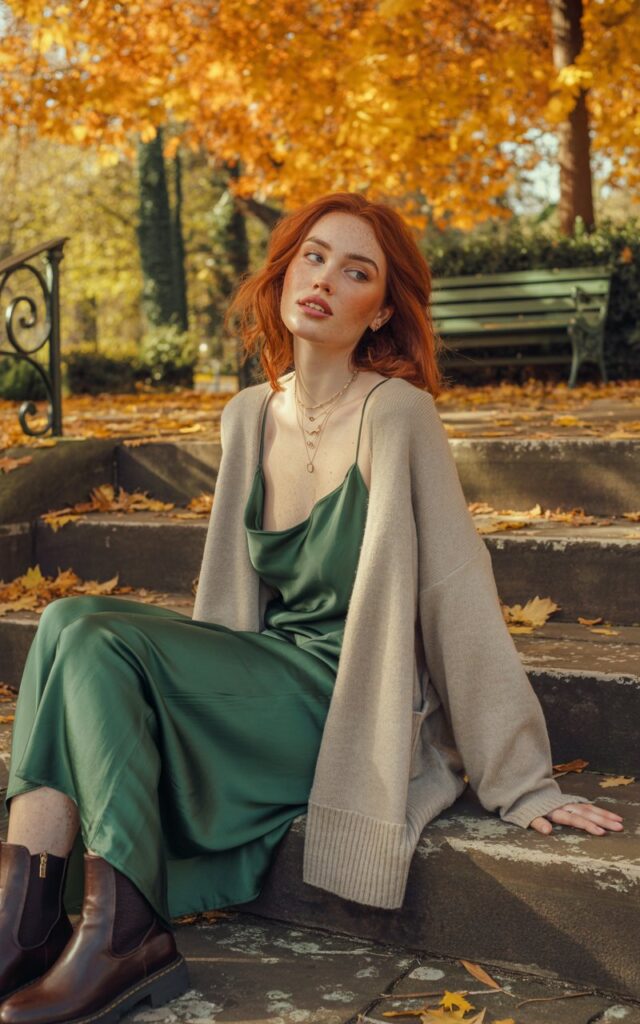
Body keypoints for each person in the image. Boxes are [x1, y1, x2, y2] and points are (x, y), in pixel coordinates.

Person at [0, 192, 624, 1023]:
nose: (326, 279)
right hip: (260, 679)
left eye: (356, 270)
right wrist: (191, 703)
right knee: (67, 623)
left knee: (83, 629)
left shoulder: (397, 416)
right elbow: (230, 600)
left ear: (381, 312)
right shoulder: (248, 415)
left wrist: (522, 782)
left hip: (348, 703)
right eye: (314, 256)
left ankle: (121, 931)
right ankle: (27, 918)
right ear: (286, 271)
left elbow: (454, 593)